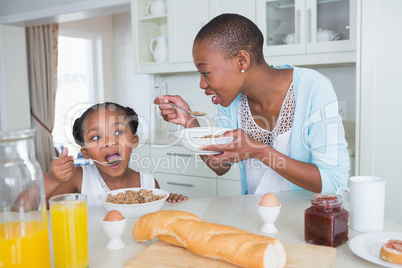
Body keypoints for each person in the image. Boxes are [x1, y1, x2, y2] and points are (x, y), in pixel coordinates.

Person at [154, 13, 350, 195]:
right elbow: (221, 166)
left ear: (242, 60)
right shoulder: (230, 101)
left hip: (306, 222)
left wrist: (259, 150)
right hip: (257, 218)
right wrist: (191, 124)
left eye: (205, 72)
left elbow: (334, 182)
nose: (202, 84)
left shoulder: (314, 88)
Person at [44, 102, 187, 205]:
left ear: (133, 140)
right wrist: (52, 178)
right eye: (96, 137)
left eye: (118, 132)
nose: (109, 142)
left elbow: (153, 218)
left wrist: (168, 202)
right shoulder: (78, 178)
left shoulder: (149, 184)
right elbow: (33, 207)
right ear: (86, 152)